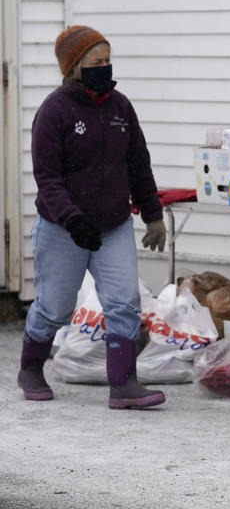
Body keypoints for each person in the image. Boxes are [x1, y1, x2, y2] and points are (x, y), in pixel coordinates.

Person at [18, 25, 168, 409]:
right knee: (55, 307)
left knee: (124, 302)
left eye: (108, 60)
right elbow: (47, 178)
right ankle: (31, 368)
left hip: (113, 224)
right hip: (62, 228)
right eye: (96, 62)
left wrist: (153, 216)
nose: (105, 67)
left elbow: (139, 165)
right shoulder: (54, 112)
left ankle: (123, 384)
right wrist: (72, 219)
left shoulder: (120, 108)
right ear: (73, 67)